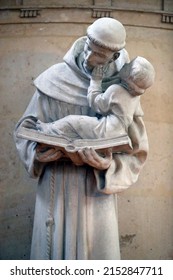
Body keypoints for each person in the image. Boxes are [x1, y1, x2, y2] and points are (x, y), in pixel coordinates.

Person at [14, 17, 149, 260]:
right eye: (88, 47)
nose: (88, 58)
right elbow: (26, 128)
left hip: (95, 197)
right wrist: (37, 154)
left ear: (114, 57)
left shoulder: (123, 92)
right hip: (55, 188)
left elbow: (137, 153)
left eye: (98, 55)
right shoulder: (54, 78)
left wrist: (107, 165)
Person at [36, 56, 155, 141]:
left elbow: (96, 104)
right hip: (118, 132)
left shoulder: (116, 90)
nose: (124, 64)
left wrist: (96, 81)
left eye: (128, 66)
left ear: (129, 77)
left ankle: (47, 130)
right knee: (75, 125)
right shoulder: (134, 97)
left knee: (72, 122)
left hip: (105, 130)